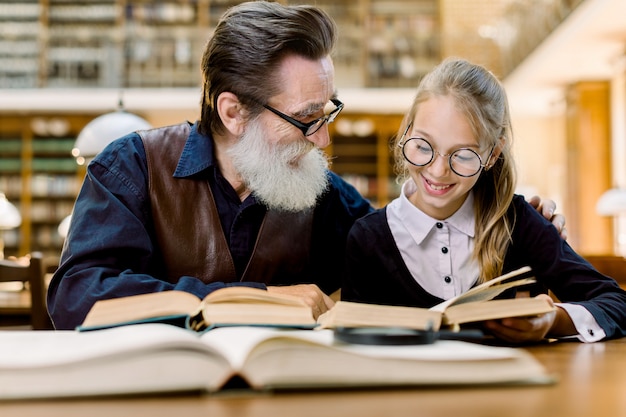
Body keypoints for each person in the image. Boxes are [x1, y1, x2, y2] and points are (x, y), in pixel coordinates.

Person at [47, 2, 565, 330]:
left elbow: (405, 248)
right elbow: (76, 295)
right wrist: (251, 300)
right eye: (305, 119)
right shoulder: (132, 167)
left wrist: (501, 218)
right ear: (233, 112)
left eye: (328, 111)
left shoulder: (323, 193)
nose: (323, 137)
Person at [342, 57, 626, 343]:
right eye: (423, 145)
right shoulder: (367, 239)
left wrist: (553, 321)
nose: (437, 171)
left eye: (463, 155)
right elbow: (351, 346)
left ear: (492, 154)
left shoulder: (517, 221)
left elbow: (617, 303)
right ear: (407, 133)